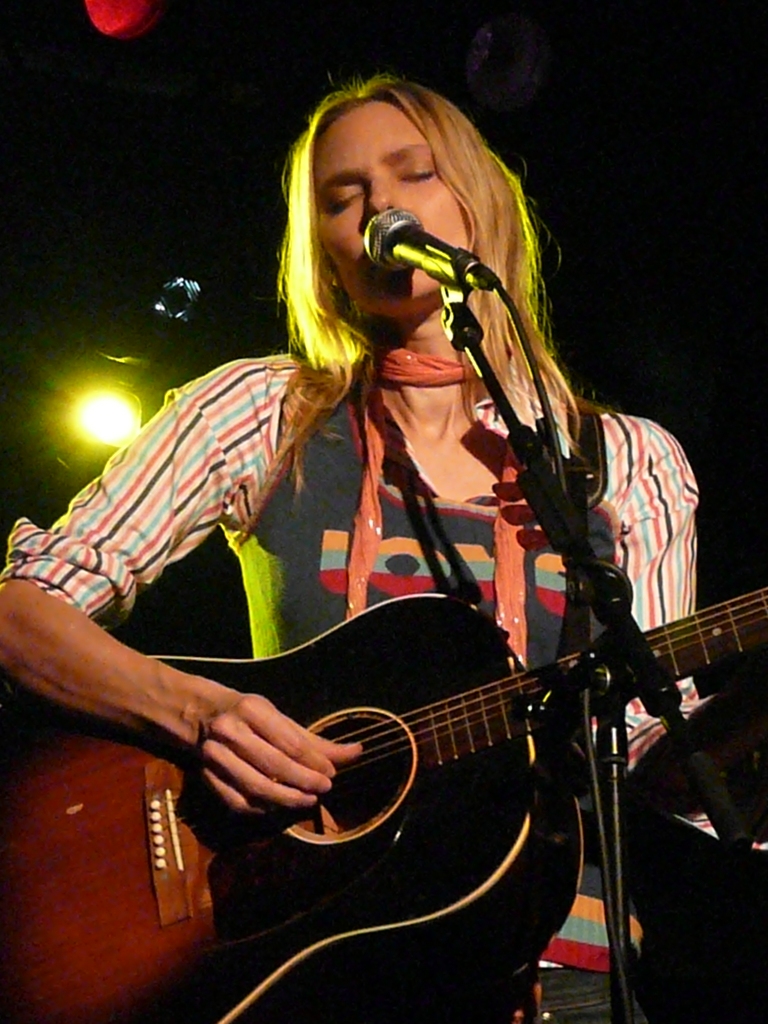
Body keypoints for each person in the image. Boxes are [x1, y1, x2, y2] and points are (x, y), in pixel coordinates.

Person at [0, 75, 712, 1023]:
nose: (381, 208)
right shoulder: (260, 412)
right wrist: (195, 713)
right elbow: (20, 612)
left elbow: (659, 758)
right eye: (342, 196)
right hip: (311, 965)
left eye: (413, 174)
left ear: (479, 201)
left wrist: (730, 746)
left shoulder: (629, 461)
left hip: (559, 970)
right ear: (326, 252)